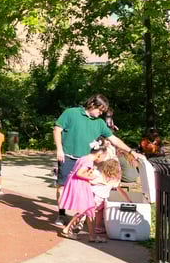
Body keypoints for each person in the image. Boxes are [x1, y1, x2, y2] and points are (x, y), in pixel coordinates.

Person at [53, 94, 139, 226]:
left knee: (84, 189)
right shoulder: (71, 113)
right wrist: (59, 149)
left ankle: (78, 219)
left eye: (103, 111)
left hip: (86, 160)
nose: (100, 114)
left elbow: (114, 139)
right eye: (100, 110)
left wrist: (131, 151)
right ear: (92, 104)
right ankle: (61, 214)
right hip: (67, 156)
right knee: (62, 187)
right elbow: (57, 129)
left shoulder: (99, 123)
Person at [59, 147, 109, 242]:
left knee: (88, 209)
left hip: (77, 184)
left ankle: (90, 235)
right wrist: (91, 177)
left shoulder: (83, 158)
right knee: (88, 208)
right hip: (80, 185)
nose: (103, 160)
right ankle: (92, 236)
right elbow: (79, 173)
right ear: (99, 154)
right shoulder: (89, 161)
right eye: (103, 157)